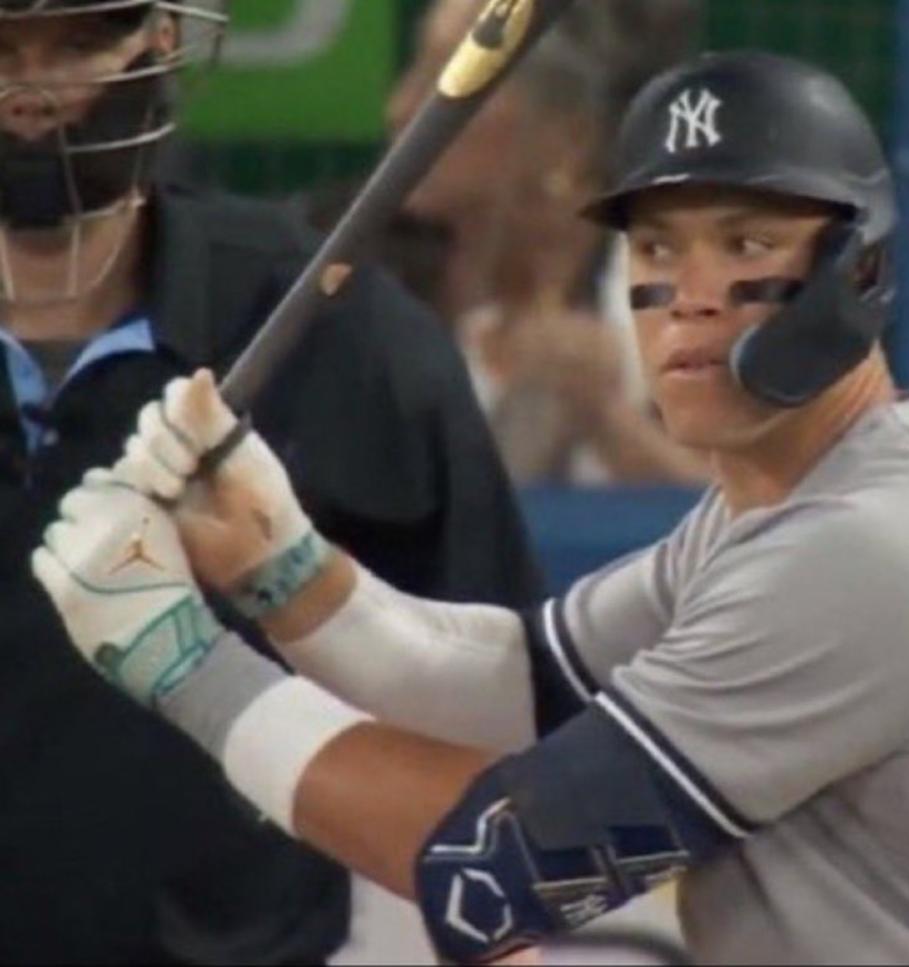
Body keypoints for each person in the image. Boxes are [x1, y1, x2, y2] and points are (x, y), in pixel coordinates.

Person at [32, 51, 909, 964]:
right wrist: (283, 566)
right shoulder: (789, 503)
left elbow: (495, 869)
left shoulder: (873, 549)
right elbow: (518, 691)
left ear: (859, 271)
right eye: (660, 250)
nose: (691, 300)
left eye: (749, 245)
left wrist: (183, 662)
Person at [0, 1, 541, 961]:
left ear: (162, 42)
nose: (36, 93)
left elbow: (491, 737)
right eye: (0, 49)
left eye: (82, 41)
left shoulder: (333, 333)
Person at [334, 0, 711, 486]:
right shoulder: (338, 279)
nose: (400, 108)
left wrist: (606, 421)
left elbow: (768, 531)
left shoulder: (686, 301)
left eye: (448, 80)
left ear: (569, 138)